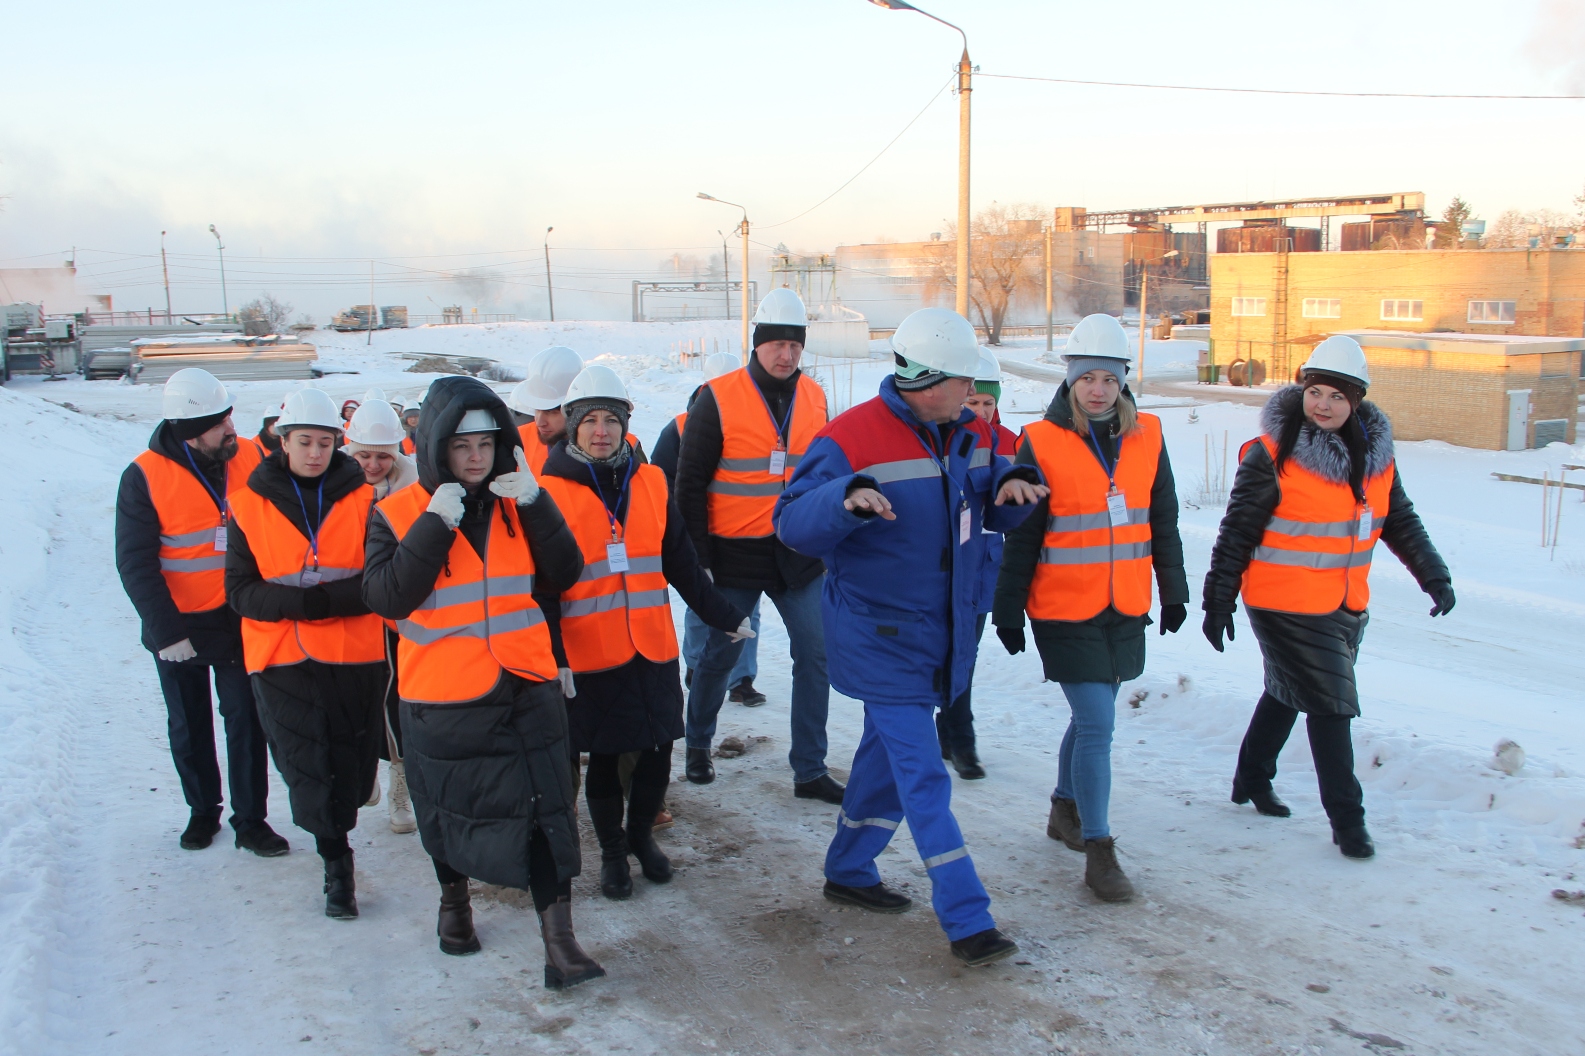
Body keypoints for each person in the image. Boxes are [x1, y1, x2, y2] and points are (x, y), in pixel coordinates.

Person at [774, 307, 1047, 967]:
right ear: (928, 379)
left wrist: (1012, 486)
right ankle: (967, 917)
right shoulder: (850, 436)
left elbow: (995, 483)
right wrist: (844, 499)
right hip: (879, 632)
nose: (972, 392)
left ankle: (848, 867)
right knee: (923, 776)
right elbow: (789, 521)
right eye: (962, 381)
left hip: (944, 630)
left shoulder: (971, 431)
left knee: (883, 760)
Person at [361, 376, 604, 990]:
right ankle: (455, 907)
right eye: (462, 445)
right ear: (438, 446)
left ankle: (561, 942)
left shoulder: (519, 500)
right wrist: (434, 521)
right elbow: (388, 595)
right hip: (444, 694)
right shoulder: (394, 513)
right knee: (451, 809)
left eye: (487, 443)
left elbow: (567, 572)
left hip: (527, 681)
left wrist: (537, 504)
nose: (476, 456)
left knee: (550, 806)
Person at [1201, 336, 1453, 860]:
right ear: (1302, 391)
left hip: (1343, 605)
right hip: (1280, 602)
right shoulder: (1272, 455)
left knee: (1291, 691)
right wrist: (1218, 599)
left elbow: (1398, 519)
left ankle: (1250, 777)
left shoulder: (1377, 457)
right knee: (1331, 706)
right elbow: (1237, 532)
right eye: (1315, 391)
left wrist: (1434, 575)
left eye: (1337, 396)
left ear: (1356, 401)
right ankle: (1348, 822)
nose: (1324, 405)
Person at [993, 314, 1188, 903]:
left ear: (1124, 380)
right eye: (1086, 378)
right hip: (1062, 608)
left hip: (1124, 604)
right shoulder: (1040, 441)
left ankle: (1063, 809)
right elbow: (1023, 534)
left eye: (1108, 377)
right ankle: (1100, 852)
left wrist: (1174, 590)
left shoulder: (1149, 435)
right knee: (1100, 723)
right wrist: (1007, 609)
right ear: (1070, 382)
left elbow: (1164, 521)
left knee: (1089, 718)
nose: (1098, 389)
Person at [538, 366, 752, 900]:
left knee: (659, 748)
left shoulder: (651, 481)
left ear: (627, 423)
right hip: (592, 653)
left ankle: (640, 839)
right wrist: (555, 655)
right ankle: (612, 853)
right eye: (590, 420)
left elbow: (679, 560)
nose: (602, 430)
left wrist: (723, 614)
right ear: (571, 427)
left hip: (651, 645)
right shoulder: (547, 494)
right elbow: (540, 587)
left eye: (612, 418)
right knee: (607, 758)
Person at [673, 288, 841, 802]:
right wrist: (698, 560)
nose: (786, 355)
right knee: (719, 657)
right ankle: (699, 745)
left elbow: (823, 471)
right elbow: (689, 484)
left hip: (797, 555)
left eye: (795, 345)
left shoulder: (815, 396)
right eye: (777, 344)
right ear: (757, 343)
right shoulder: (717, 397)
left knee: (817, 655)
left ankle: (809, 769)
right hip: (733, 557)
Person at [225, 387, 387, 918]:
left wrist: (318, 601)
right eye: (304, 442)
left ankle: (342, 824)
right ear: (282, 440)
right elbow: (239, 590)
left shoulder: (366, 498)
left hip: (353, 654)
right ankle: (337, 866)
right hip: (279, 656)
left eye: (324, 443)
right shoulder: (248, 501)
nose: (315, 452)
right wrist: (299, 604)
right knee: (308, 762)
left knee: (352, 762)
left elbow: (376, 580)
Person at [115, 368, 285, 856]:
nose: (232, 429)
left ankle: (251, 820)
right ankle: (202, 810)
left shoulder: (250, 454)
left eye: (230, 417)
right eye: (220, 424)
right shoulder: (143, 476)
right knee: (189, 723)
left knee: (245, 720)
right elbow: (135, 562)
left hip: (238, 617)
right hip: (180, 624)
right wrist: (166, 633)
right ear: (190, 433)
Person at [655, 350, 765, 708]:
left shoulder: (758, 424)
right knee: (701, 601)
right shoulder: (681, 426)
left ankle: (742, 679)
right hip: (696, 532)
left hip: (742, 536)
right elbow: (658, 481)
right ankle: (696, 667)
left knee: (749, 610)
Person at [936, 346, 1019, 780]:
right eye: (973, 403)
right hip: (953, 559)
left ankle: (949, 730)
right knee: (953, 646)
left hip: (990, 562)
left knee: (967, 647)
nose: (982, 412)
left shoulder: (1011, 443)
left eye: (989, 403)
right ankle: (958, 735)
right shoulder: (945, 439)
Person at [344, 397, 419, 835]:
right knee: (356, 698)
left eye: (382, 456)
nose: (372, 465)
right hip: (348, 611)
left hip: (393, 612)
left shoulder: (414, 485)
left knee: (396, 697)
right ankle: (364, 771)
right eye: (363, 456)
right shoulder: (332, 482)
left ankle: (400, 783)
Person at [510, 345, 585, 473]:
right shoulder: (517, 441)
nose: (539, 422)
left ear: (578, 409)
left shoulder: (616, 448)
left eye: (550, 412)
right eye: (537, 410)